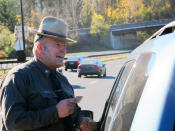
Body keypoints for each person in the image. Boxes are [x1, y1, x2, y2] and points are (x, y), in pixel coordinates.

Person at [0, 16, 96, 131]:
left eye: (64, 46)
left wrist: (81, 121)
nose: (63, 50)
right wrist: (55, 112)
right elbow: (13, 122)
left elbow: (72, 113)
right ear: (40, 48)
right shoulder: (18, 77)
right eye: (57, 45)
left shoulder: (62, 80)